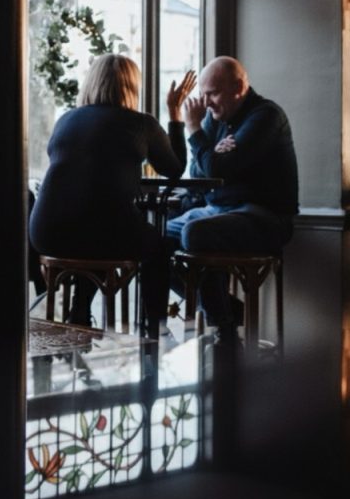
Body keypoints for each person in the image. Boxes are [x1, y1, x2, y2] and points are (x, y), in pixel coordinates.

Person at [29, 54, 195, 333]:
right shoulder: (141, 123)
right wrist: (175, 114)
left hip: (46, 232)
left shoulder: (65, 120)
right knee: (157, 246)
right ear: (132, 86)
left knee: (95, 231)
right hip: (99, 231)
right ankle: (154, 330)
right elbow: (175, 169)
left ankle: (80, 314)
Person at [166, 56, 299, 332]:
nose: (206, 102)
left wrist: (194, 131)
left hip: (264, 216)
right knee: (156, 236)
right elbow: (200, 173)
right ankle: (227, 310)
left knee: (194, 233)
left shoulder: (265, 116)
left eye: (212, 93)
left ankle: (222, 326)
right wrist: (212, 154)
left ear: (238, 87)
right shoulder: (215, 120)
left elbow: (218, 169)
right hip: (218, 210)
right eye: (202, 95)